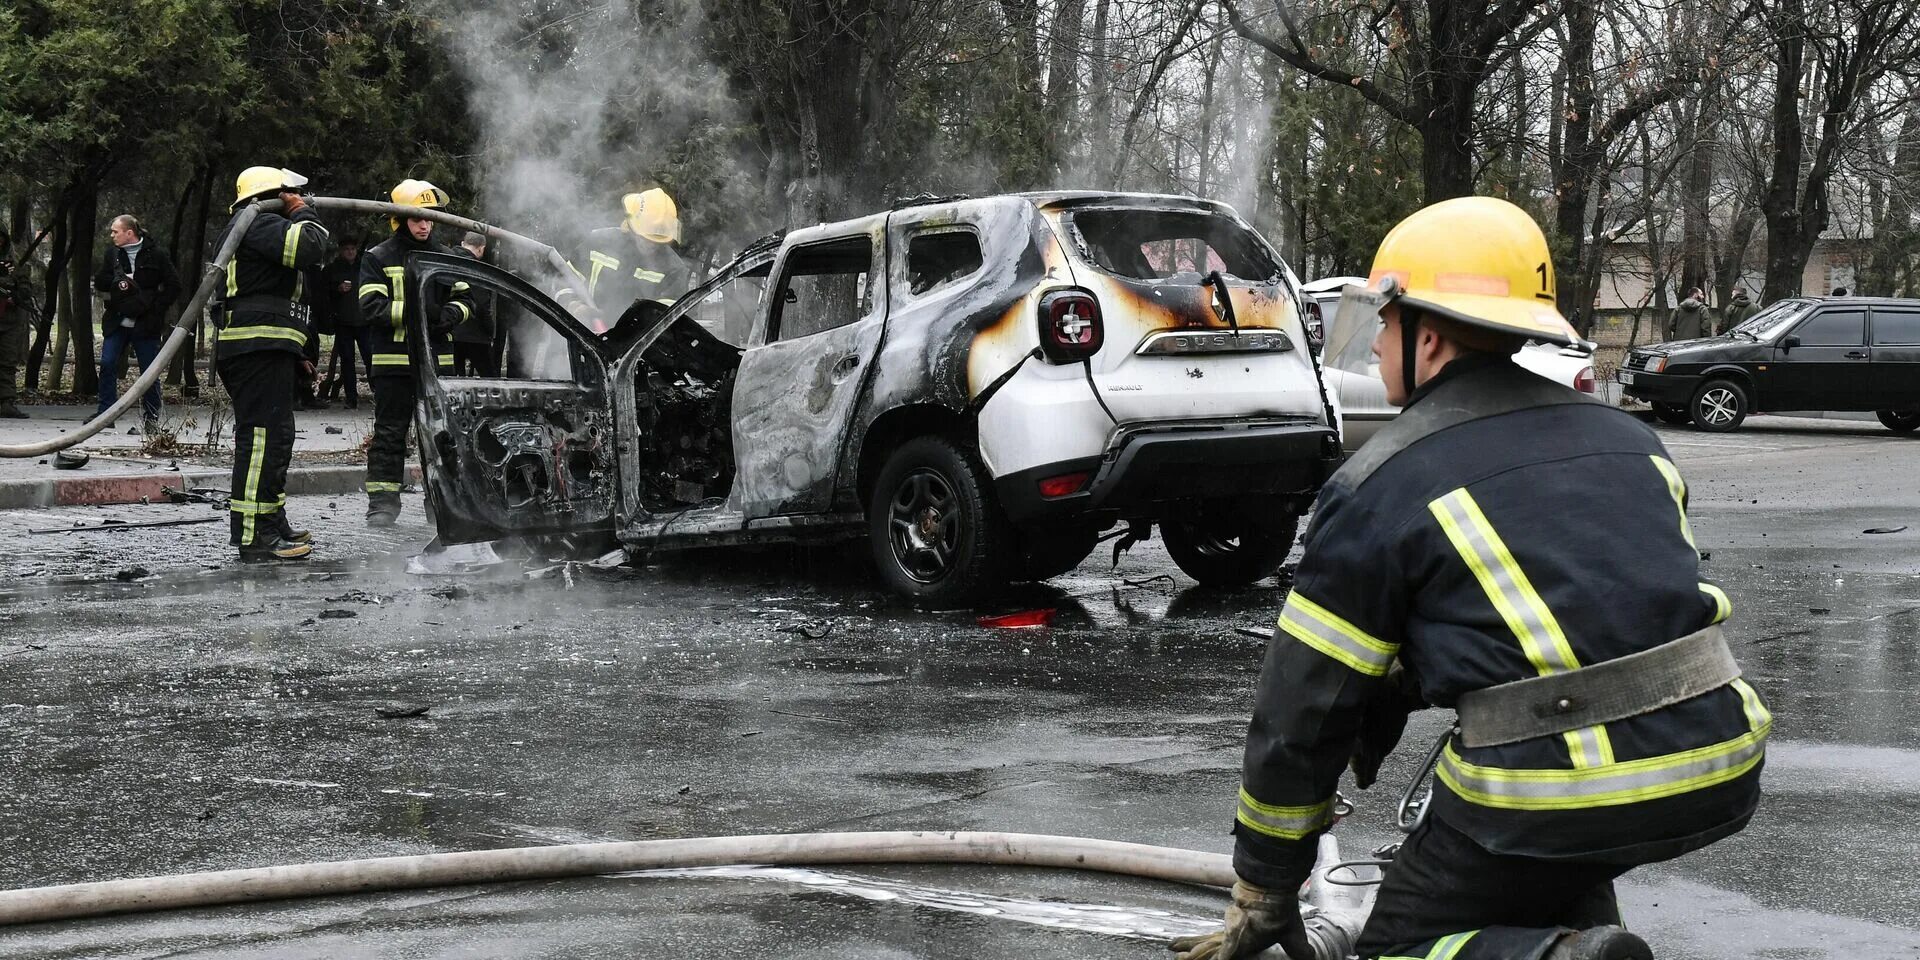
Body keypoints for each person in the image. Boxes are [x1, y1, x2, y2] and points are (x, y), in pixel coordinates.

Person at [1175, 197, 1768, 960]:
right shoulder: (1630, 440)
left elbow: (1303, 713)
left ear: (1428, 336)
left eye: (1386, 320)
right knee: (1544, 874)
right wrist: (1400, 687)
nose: (1378, 339)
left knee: (1398, 947)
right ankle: (1580, 941)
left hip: (1561, 785)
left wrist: (1265, 885)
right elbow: (1573, 618)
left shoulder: (1381, 484)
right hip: (1719, 756)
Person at [210, 166, 336, 562]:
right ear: (273, 195)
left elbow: (275, 296)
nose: (298, 199)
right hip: (255, 349)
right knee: (262, 441)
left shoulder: (257, 229)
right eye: (290, 194)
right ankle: (254, 535)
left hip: (266, 348)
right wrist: (302, 212)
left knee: (276, 437)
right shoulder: (258, 222)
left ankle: (271, 521)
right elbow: (312, 246)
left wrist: (297, 352)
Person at [357, 179, 472, 527]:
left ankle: (441, 505)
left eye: (429, 218)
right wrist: (419, 314)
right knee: (390, 434)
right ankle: (382, 505)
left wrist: (451, 314)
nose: (425, 225)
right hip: (395, 363)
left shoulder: (447, 257)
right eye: (417, 218)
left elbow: (467, 300)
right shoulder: (377, 257)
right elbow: (370, 306)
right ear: (399, 219)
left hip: (438, 366)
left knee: (441, 437)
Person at [92, 215, 182, 429]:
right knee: (107, 363)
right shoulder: (112, 254)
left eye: (116, 231)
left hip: (146, 322)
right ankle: (105, 415)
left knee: (149, 370)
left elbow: (174, 285)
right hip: (117, 319)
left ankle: (151, 418)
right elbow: (100, 280)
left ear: (129, 233)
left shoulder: (157, 255)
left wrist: (156, 308)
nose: (112, 235)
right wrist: (117, 282)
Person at [565, 188, 691, 317]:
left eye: (658, 239)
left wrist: (602, 317)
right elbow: (564, 278)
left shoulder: (674, 270)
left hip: (636, 337)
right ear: (631, 226)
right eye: (645, 238)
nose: (652, 244)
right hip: (580, 334)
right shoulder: (598, 243)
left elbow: (664, 323)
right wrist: (570, 303)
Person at [317, 238, 365, 408]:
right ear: (340, 250)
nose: (350, 252)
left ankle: (378, 395)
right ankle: (351, 399)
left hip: (364, 321)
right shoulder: (332, 269)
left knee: (371, 358)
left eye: (353, 248)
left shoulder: (364, 267)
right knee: (347, 361)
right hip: (343, 321)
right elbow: (322, 293)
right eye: (347, 249)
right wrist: (337, 289)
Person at [449, 232, 498, 377]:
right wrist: (490, 329)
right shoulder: (476, 269)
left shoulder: (446, 261)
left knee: (453, 380)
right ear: (481, 249)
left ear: (463, 243)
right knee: (490, 380)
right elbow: (482, 304)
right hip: (475, 335)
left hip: (450, 333)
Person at [0, 231, 27, 418]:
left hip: (8, 321)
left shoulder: (13, 264)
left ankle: (6, 402)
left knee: (8, 362)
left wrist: (18, 294)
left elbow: (25, 286)